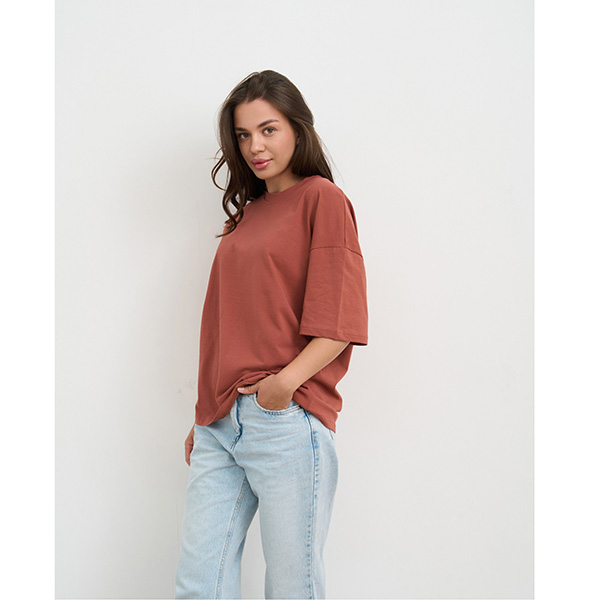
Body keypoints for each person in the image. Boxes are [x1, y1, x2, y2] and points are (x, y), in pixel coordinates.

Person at [175, 70, 368, 600]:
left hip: (283, 419)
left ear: (298, 130)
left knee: (291, 587)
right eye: (243, 135)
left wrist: (280, 389)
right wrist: (206, 410)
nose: (255, 147)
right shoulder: (246, 216)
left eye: (268, 129)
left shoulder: (322, 199)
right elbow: (225, 324)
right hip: (219, 423)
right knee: (198, 585)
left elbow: (340, 321)